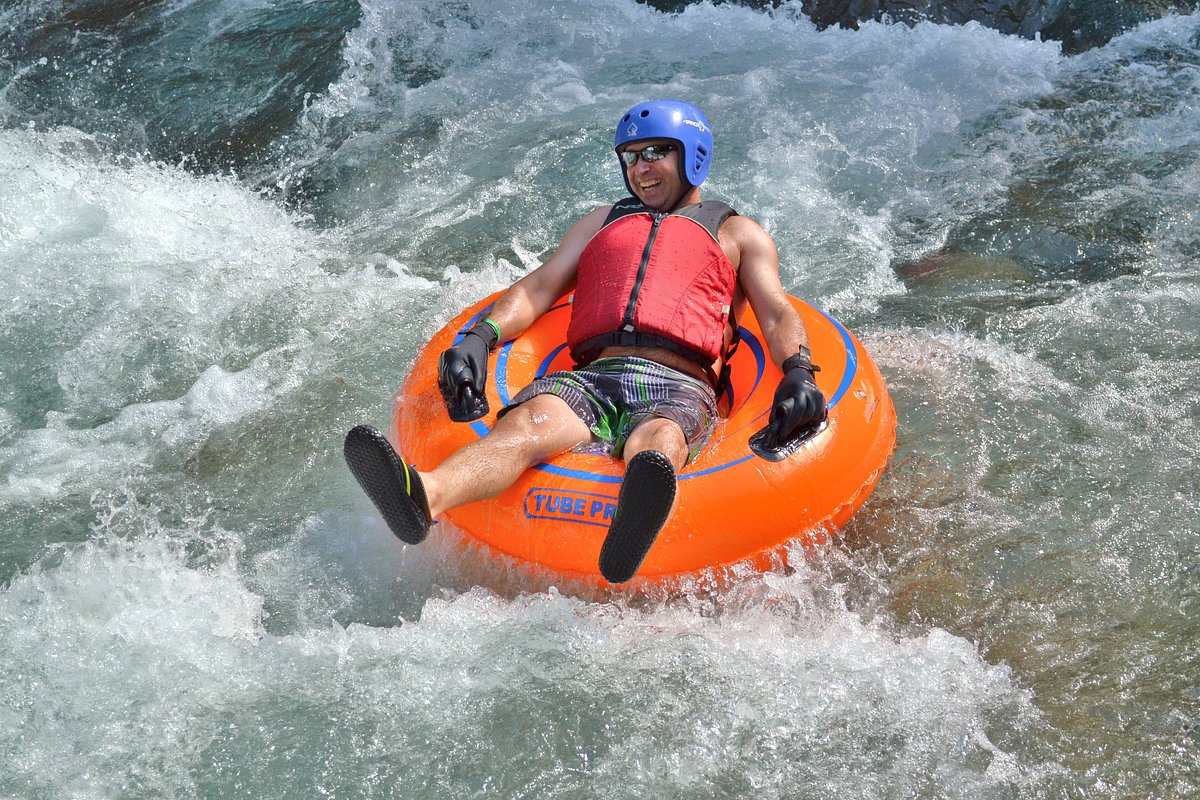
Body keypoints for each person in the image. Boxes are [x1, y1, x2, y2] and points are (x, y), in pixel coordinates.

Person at [345, 99, 825, 584]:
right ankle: (423, 495)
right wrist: (480, 338)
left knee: (658, 440)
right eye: (631, 157)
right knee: (526, 425)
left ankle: (631, 524)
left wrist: (799, 372)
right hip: (594, 376)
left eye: (656, 152)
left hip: (678, 383)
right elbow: (539, 287)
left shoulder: (736, 233)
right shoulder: (602, 222)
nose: (642, 168)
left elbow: (777, 311)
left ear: (692, 154)